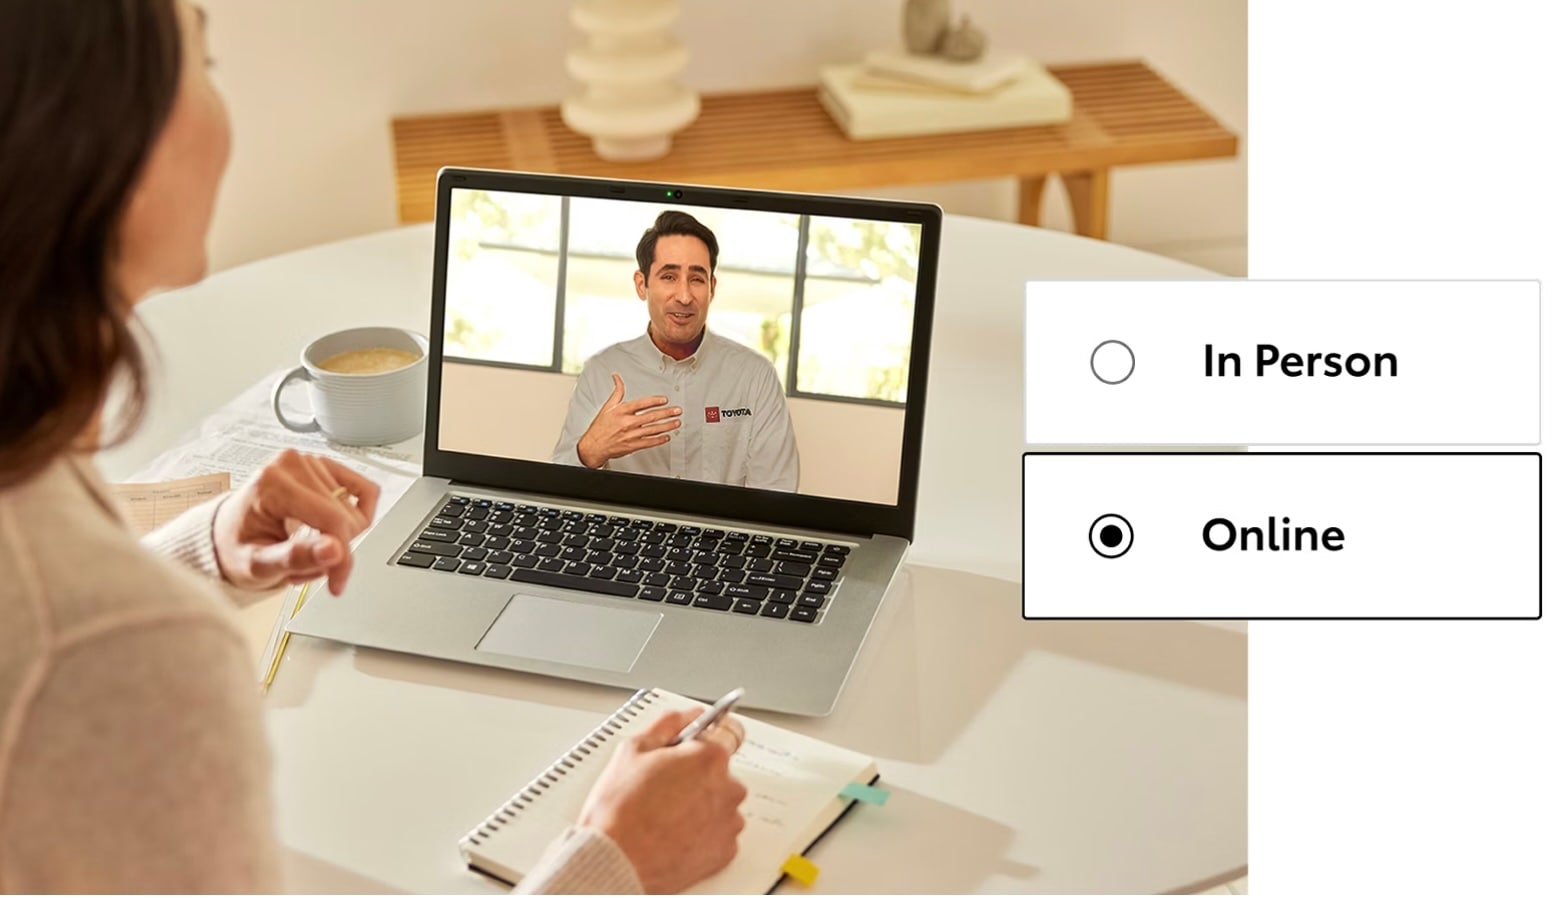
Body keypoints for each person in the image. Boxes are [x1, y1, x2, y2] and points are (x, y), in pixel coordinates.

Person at [0, 2, 745, 892]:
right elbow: (74, 647)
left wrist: (201, 556)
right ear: (111, 143)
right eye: (205, 60)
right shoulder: (140, 659)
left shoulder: (32, 469)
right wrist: (614, 859)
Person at [551, 210, 801, 492]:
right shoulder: (601, 372)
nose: (684, 297)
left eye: (696, 279)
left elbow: (776, 493)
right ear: (642, 284)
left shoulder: (755, 376)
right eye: (669, 276)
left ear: (712, 288)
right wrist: (590, 451)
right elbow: (558, 491)